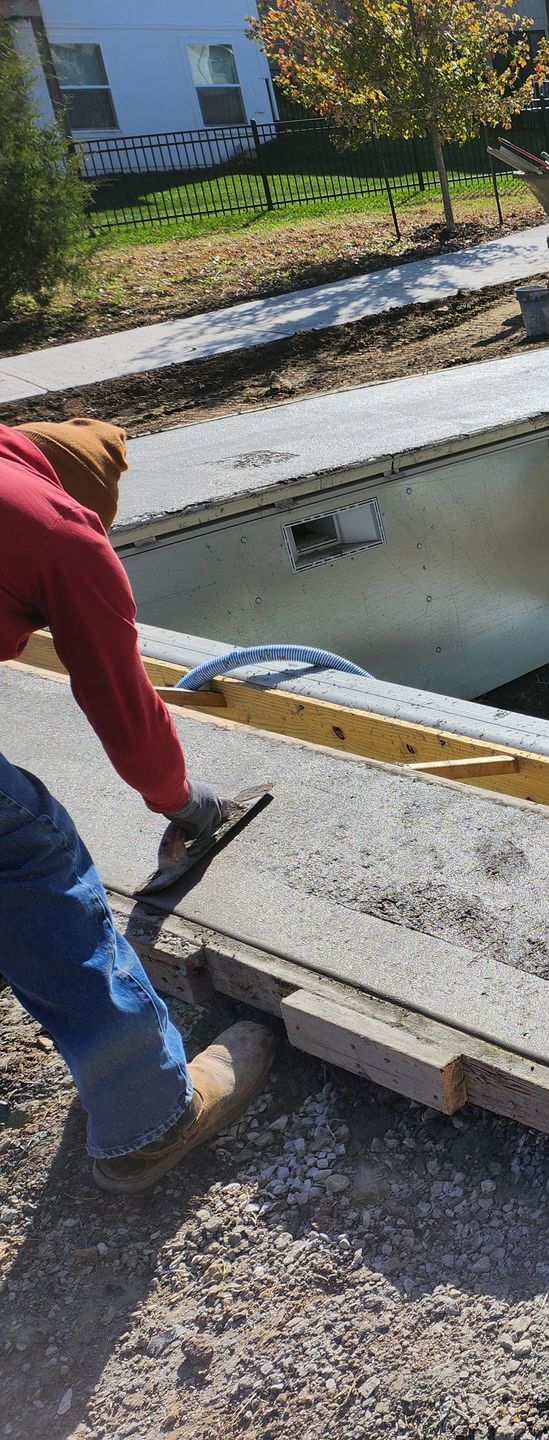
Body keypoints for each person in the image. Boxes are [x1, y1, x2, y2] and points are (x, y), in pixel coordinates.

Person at [1, 418, 275, 1193]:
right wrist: (183, 802)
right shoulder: (62, 532)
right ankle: (148, 1118)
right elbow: (122, 705)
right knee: (29, 849)